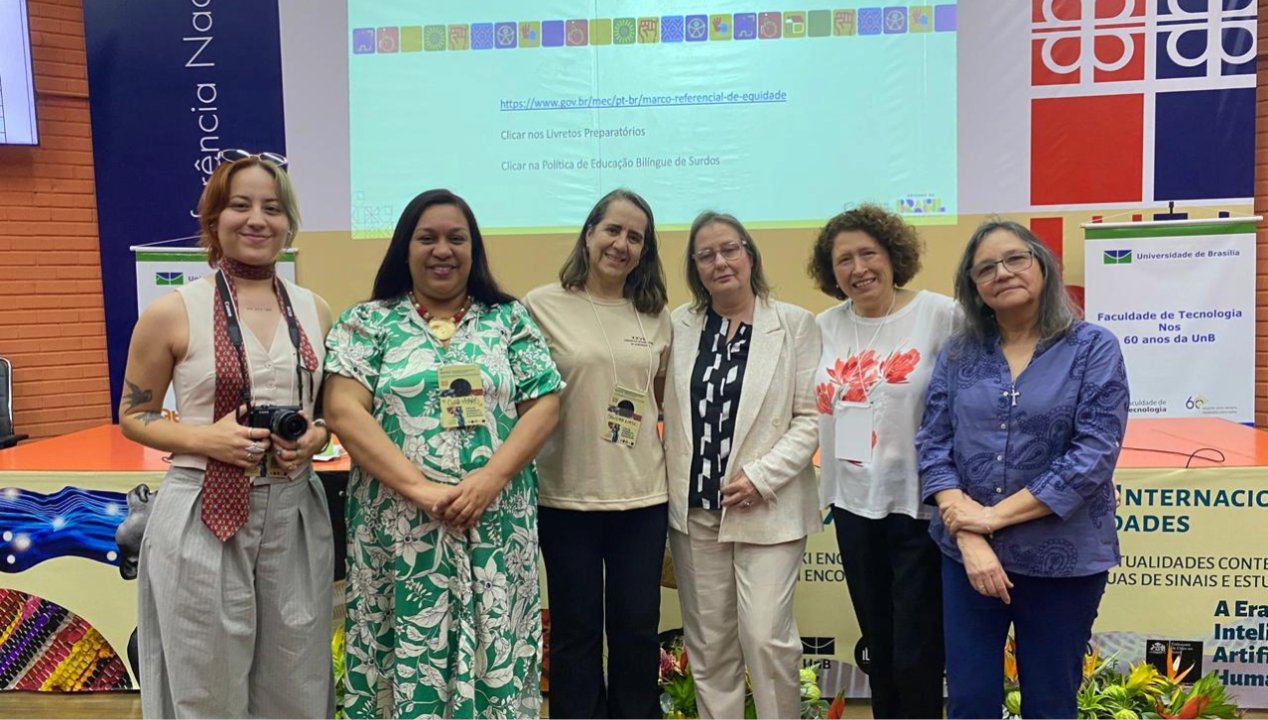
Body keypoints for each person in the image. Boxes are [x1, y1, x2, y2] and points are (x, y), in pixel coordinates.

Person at [323, 188, 562, 719]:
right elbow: (342, 409)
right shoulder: (368, 323)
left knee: (494, 647)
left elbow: (544, 404)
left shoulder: (509, 320)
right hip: (398, 528)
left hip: (494, 526)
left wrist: (489, 480)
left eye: (457, 238)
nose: (442, 250)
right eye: (426, 238)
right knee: (402, 647)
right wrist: (421, 490)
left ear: (474, 249)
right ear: (404, 248)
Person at [119, 151, 334, 718]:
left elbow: (328, 413)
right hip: (202, 511)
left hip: (294, 510)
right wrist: (204, 439)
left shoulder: (315, 311)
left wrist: (315, 437)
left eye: (272, 208)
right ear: (214, 219)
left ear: (288, 223)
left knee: (297, 683)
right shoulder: (172, 311)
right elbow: (134, 415)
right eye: (241, 205)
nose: (257, 219)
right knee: (204, 684)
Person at [917, 219, 1129, 719]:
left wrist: (991, 518)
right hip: (966, 559)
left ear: (1043, 267)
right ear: (974, 288)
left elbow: (1093, 455)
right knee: (969, 700)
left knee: (1050, 702)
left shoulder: (1093, 348)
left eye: (1015, 258)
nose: (1003, 272)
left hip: (1063, 559)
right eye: (986, 268)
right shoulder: (958, 353)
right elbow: (933, 444)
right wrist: (969, 535)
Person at [663, 211, 821, 719]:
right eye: (706, 255)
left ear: (750, 254)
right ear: (695, 268)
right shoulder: (678, 325)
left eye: (730, 249)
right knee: (710, 649)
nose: (720, 262)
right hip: (696, 514)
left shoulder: (794, 324)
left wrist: (761, 476)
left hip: (767, 509)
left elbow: (812, 418)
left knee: (766, 639)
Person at [522, 189, 672, 719]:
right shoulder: (540, 306)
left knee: (636, 630)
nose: (621, 244)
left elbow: (661, 398)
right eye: (612, 230)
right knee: (575, 631)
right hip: (567, 497)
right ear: (589, 234)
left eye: (635, 237)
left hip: (642, 498)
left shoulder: (655, 314)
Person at [806, 205, 955, 718]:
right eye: (843, 260)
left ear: (893, 255)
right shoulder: (823, 326)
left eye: (868, 253)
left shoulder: (939, 314)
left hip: (917, 502)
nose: (858, 268)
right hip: (850, 502)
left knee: (917, 646)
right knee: (878, 642)